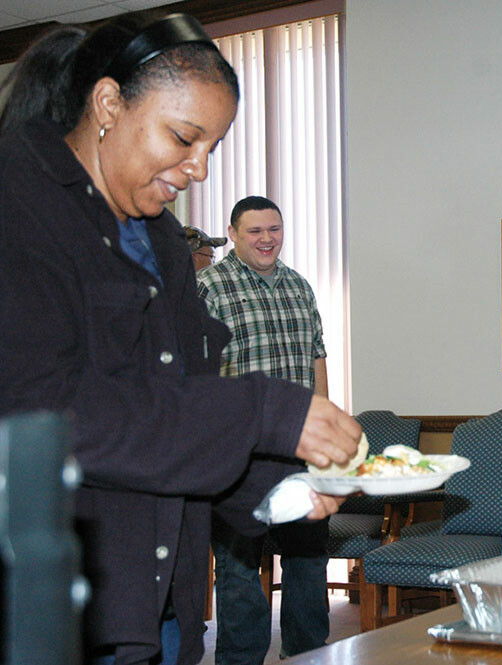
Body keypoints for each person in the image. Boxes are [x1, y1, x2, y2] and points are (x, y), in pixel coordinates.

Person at [0, 13, 361, 665]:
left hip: (159, 603)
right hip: (60, 611)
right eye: (183, 137)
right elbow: (50, 413)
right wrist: (266, 410)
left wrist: (280, 486)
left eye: (210, 149)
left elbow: (177, 408)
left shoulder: (162, 237)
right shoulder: (22, 210)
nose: (197, 169)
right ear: (108, 102)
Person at [197, 196, 331, 662]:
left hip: (298, 450)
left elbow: (317, 357)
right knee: (237, 573)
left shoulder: (299, 286)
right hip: (238, 456)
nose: (267, 238)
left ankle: (309, 655)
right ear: (233, 233)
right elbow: (197, 373)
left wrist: (323, 423)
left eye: (274, 228)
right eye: (255, 231)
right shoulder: (208, 286)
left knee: (309, 564)